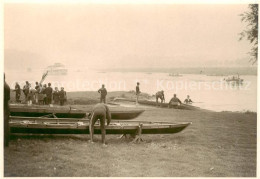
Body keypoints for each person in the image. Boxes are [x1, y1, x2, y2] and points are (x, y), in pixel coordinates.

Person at [4, 74, 10, 147]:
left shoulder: (3, 86)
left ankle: (5, 143)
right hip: (5, 108)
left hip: (4, 108)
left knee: (4, 126)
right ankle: (6, 143)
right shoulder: (6, 85)